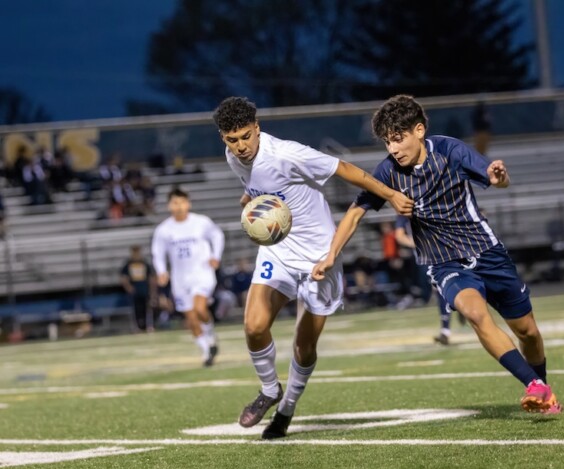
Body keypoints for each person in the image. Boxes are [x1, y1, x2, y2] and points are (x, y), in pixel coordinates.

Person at [313, 94, 561, 414]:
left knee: (528, 333)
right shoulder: (387, 172)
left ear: (419, 130)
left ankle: (543, 386)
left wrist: (501, 178)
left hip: (487, 252)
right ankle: (533, 386)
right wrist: (332, 254)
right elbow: (356, 212)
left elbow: (494, 177)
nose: (393, 149)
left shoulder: (449, 150)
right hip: (444, 263)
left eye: (398, 139)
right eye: (387, 142)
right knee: (474, 314)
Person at [212, 96, 412, 439]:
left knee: (304, 346)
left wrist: (390, 195)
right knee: (254, 325)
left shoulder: (288, 154)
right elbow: (259, 185)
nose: (241, 146)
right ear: (224, 139)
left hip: (320, 256)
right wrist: (250, 199)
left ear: (257, 129)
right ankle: (270, 390)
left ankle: (286, 410)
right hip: (277, 250)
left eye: (246, 136)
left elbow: (347, 170)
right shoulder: (233, 157)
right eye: (233, 139)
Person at [151, 187, 224, 366]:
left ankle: (210, 335)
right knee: (191, 318)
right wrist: (161, 271)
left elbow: (217, 235)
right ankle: (207, 351)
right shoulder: (164, 230)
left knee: (200, 309)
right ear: (169, 206)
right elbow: (158, 253)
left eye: (182, 202)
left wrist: (216, 256)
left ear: (188, 203)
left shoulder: (201, 222)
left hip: (201, 272)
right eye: (175, 203)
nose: (179, 206)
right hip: (180, 278)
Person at [394, 214, 463, 345]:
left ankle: (448, 325)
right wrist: (416, 242)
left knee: (443, 287)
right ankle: (452, 318)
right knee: (439, 288)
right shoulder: (405, 209)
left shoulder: (428, 205)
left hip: (442, 251)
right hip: (426, 257)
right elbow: (399, 236)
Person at [120, 245, 156, 332]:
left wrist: (152, 290)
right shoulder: (128, 264)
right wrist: (129, 287)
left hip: (144, 289)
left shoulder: (144, 264)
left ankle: (148, 325)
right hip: (135, 291)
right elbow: (123, 278)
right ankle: (137, 327)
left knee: (147, 308)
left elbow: (151, 278)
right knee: (136, 309)